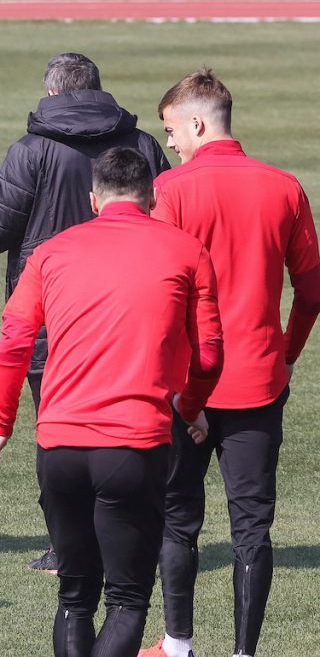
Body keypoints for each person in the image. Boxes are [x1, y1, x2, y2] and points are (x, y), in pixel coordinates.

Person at [0, 147, 224, 657]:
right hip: (134, 446)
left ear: (93, 199)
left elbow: (15, 340)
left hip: (60, 446)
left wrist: (1, 425)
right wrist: (190, 405)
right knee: (127, 600)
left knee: (74, 598)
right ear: (152, 196)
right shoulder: (186, 250)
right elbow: (210, 354)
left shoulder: (50, 252)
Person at [0, 52, 170, 572]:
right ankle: (126, 537)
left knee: (57, 430)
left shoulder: (31, 150)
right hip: (135, 309)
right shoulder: (141, 144)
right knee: (130, 425)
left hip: (51, 311)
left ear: (52, 95)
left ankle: (67, 547)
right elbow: (168, 217)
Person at [138, 69, 320, 657]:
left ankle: (178, 644)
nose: (168, 142)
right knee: (252, 529)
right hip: (260, 382)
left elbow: (155, 294)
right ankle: (245, 652)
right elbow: (312, 293)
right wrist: (286, 353)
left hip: (187, 386)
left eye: (170, 129)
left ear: (196, 121)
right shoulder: (285, 187)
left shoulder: (173, 191)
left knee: (177, 519)